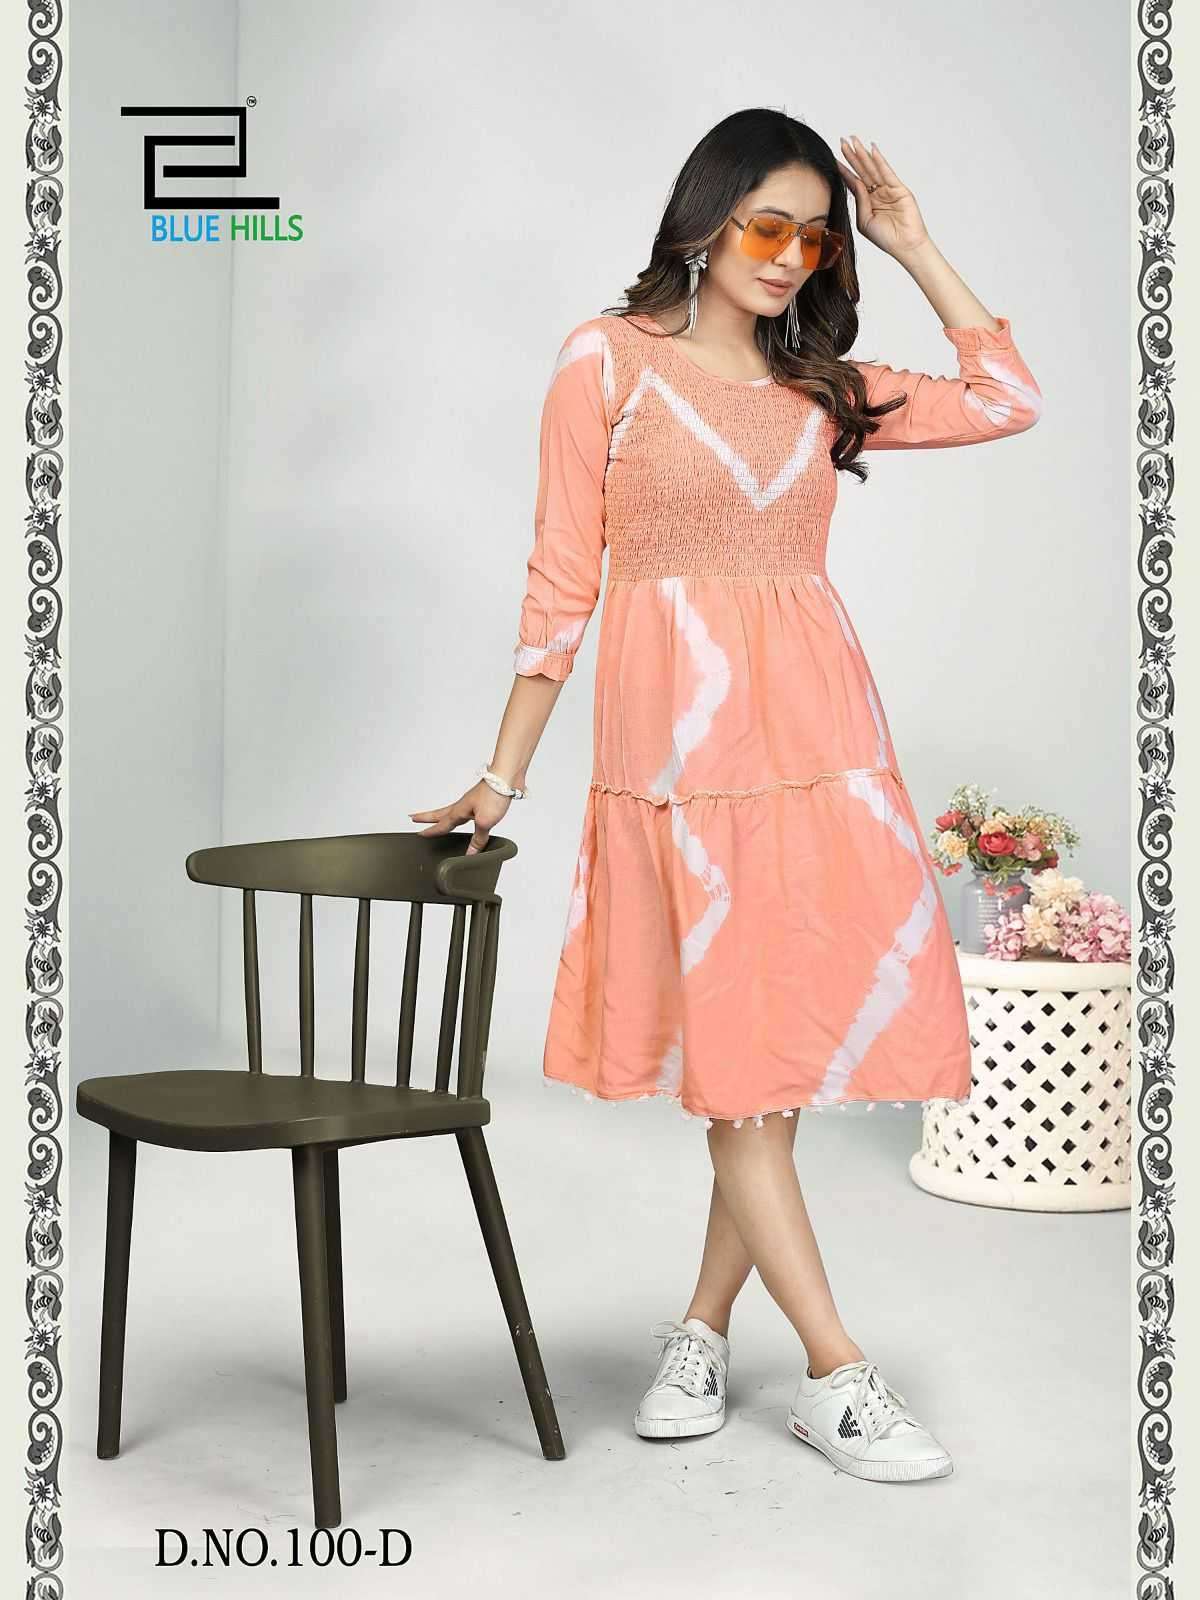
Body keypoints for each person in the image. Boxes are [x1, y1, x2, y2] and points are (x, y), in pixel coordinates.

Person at [409, 108, 1041, 1485]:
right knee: (746, 1079)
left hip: (820, 750)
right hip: (682, 764)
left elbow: (1008, 399)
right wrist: (505, 771)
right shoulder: (605, 361)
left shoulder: (823, 385)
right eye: (769, 225)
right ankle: (836, 1373)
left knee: (764, 1073)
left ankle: (702, 1334)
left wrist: (913, 243)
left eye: (816, 237)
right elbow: (560, 580)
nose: (792, 255)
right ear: (703, 220)